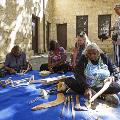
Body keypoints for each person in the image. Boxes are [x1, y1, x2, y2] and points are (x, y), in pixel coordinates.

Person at [111, 4, 120, 71]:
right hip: (117, 40)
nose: (116, 11)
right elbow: (116, 28)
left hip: (118, 40)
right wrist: (113, 28)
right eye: (115, 10)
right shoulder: (118, 19)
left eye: (117, 10)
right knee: (117, 55)